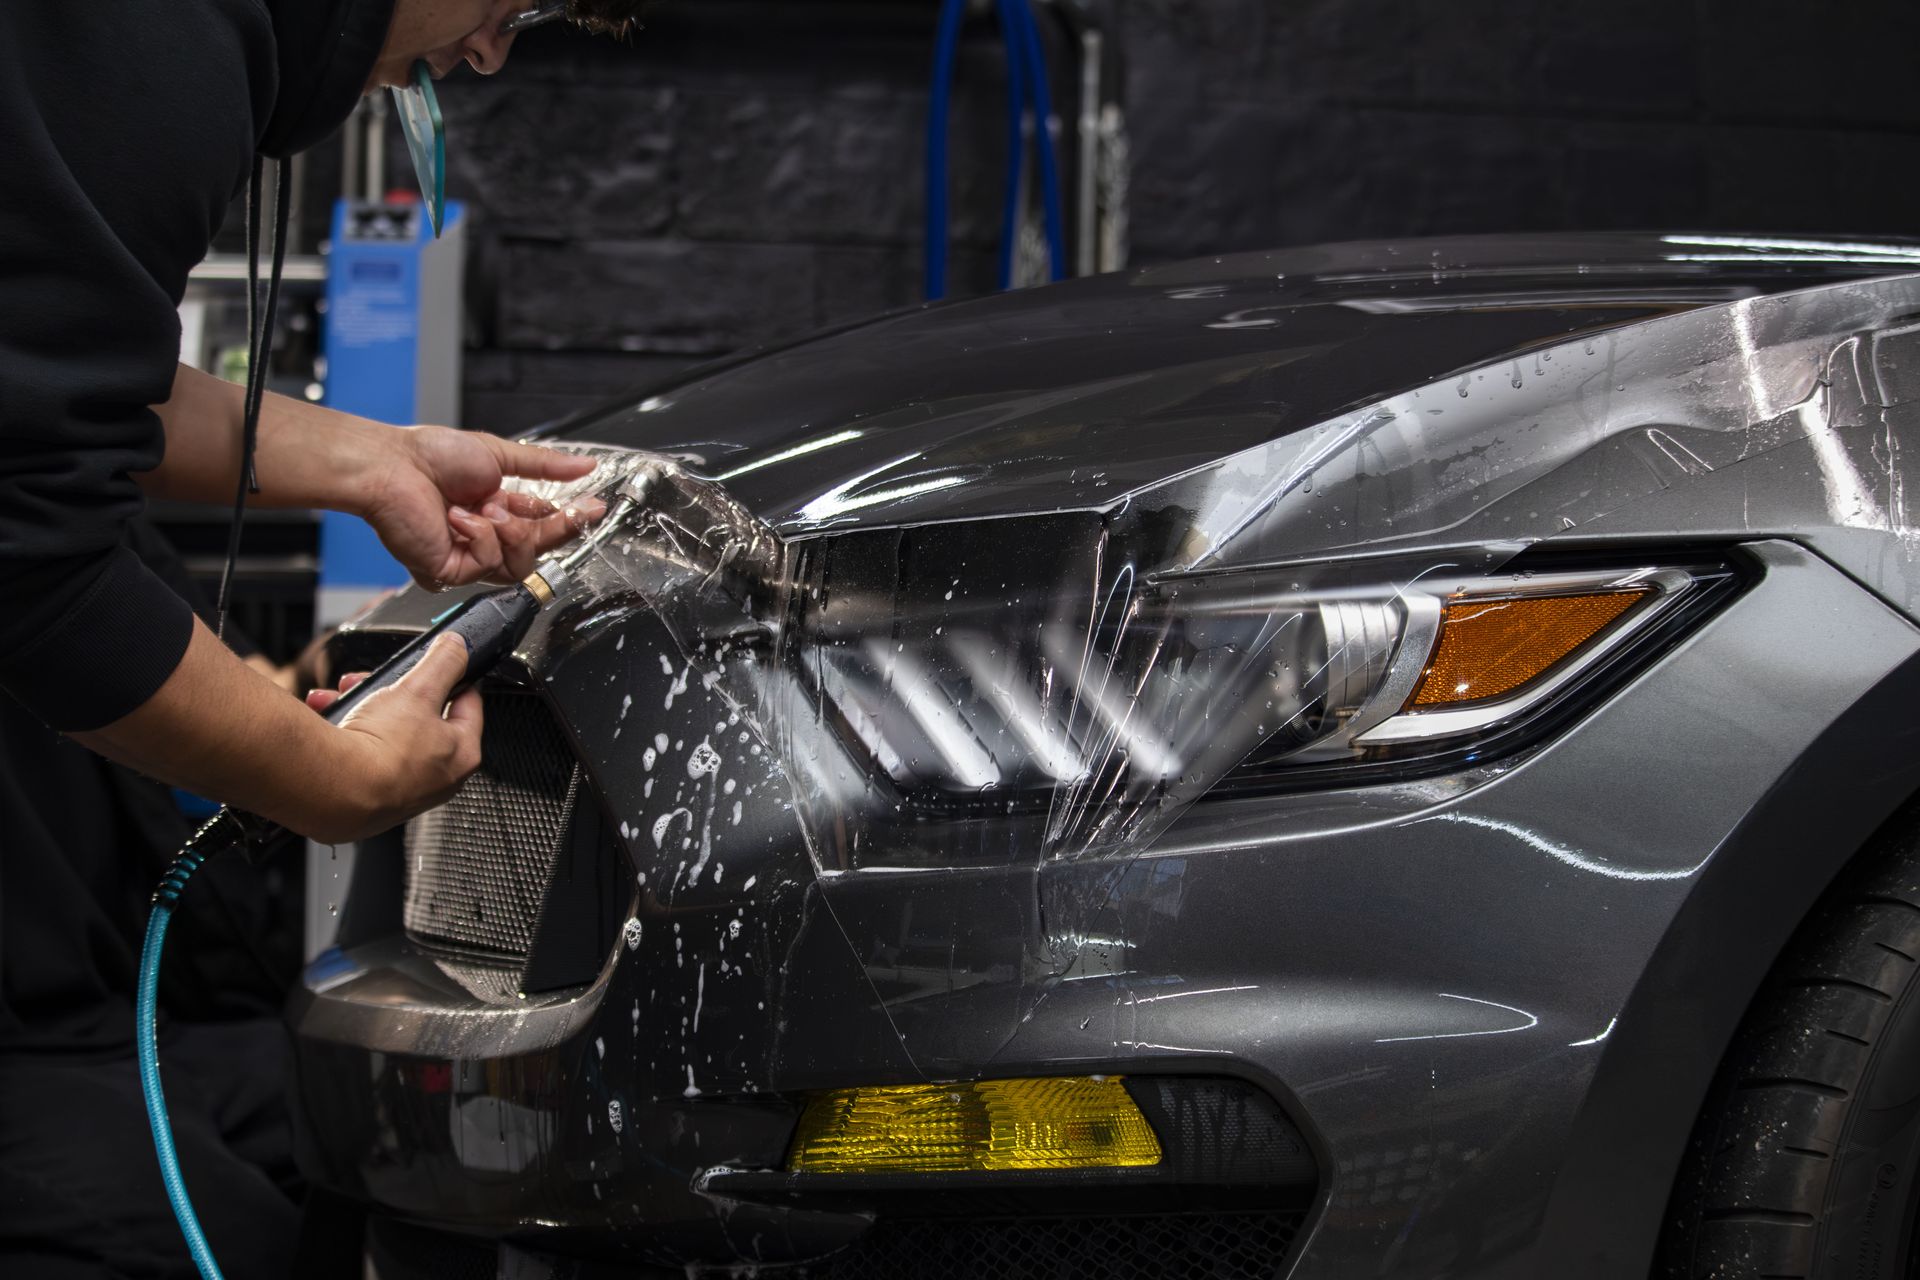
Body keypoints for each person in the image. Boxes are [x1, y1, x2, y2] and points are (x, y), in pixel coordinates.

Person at [0, 2, 645, 1275]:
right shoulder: (155, 36)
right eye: (515, 8)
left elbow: (57, 387)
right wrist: (329, 779)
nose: (490, 55)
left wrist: (374, 459)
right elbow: (32, 535)